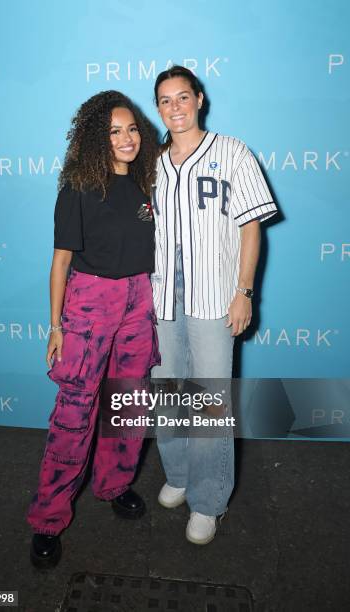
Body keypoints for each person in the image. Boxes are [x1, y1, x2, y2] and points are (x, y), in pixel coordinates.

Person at [27, 90, 160, 568]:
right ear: (95, 138)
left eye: (131, 129)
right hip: (89, 302)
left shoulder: (148, 181)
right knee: (75, 410)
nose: (126, 139)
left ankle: (114, 484)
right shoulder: (78, 186)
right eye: (113, 131)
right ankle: (47, 519)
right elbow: (60, 262)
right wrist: (55, 326)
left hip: (139, 299)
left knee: (129, 400)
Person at [151, 66, 278, 545]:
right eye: (165, 100)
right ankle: (179, 474)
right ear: (158, 107)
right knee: (166, 394)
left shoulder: (232, 151)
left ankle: (208, 498)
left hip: (213, 298)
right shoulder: (151, 162)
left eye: (183, 97)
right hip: (161, 297)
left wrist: (244, 291)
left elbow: (251, 228)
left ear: (199, 99)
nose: (175, 107)